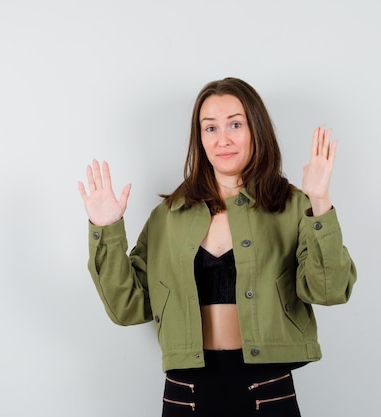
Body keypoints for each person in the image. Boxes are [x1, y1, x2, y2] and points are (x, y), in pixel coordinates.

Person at [78, 77, 356, 416]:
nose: (222, 139)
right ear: (200, 138)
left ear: (256, 130)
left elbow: (329, 291)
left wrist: (320, 201)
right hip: (187, 394)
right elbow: (127, 308)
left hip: (267, 390)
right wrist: (105, 230)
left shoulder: (294, 206)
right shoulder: (168, 217)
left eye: (235, 124)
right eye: (210, 128)